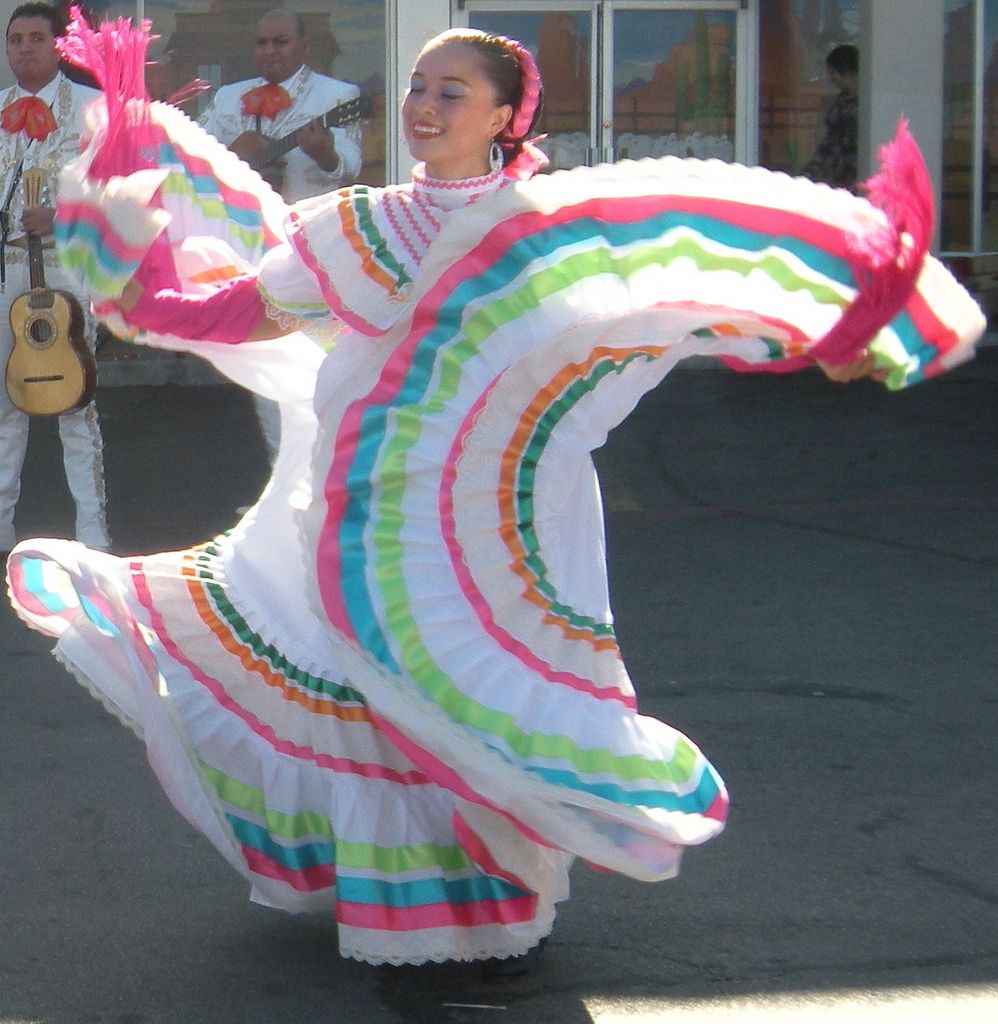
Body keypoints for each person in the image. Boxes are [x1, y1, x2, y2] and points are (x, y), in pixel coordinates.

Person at [7, 14, 984, 977]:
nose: (425, 107)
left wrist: (837, 327)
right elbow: (222, 310)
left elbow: (681, 303)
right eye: (419, 89)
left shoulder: (551, 235)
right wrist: (125, 267)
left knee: (475, 693)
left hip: (508, 517)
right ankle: (407, 892)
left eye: (452, 92)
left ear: (507, 115)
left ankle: (501, 898)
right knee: (370, 689)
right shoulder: (361, 225)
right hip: (362, 506)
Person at [198, 6, 364, 461]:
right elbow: (197, 161)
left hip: (314, 257)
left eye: (280, 42)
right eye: (262, 43)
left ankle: (323, 488)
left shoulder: (337, 96)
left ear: (303, 47)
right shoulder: (230, 99)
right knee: (268, 383)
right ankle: (283, 490)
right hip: (252, 256)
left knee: (321, 376)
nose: (269, 51)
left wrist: (325, 152)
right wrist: (234, 167)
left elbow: (349, 165)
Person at [0, 2, 109, 556]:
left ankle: (93, 531)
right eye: (15, 39)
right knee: (4, 400)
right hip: (5, 268)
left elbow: (125, 195)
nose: (23, 48)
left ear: (59, 45)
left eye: (35, 39)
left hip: (68, 265)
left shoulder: (95, 110)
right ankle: (1, 528)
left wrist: (65, 216)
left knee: (75, 403)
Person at [803, 43, 859, 190]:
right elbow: (829, 142)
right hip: (834, 174)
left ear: (846, 71)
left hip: (852, 175)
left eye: (833, 72)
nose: (831, 78)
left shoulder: (863, 105)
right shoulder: (840, 101)